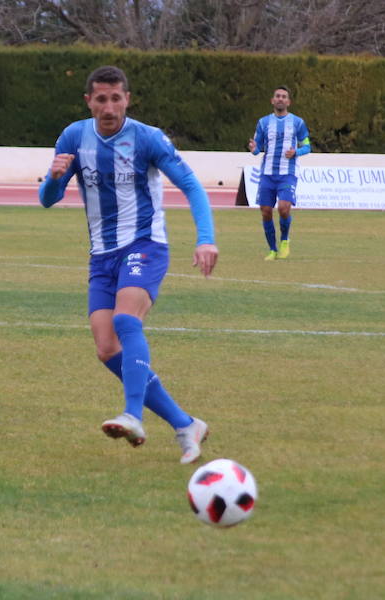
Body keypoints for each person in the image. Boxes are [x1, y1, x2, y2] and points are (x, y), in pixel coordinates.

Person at [38, 65, 218, 464]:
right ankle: (186, 423)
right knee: (106, 348)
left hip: (145, 245)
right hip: (102, 254)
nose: (108, 107)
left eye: (116, 98)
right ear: (89, 102)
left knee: (126, 322)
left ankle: (133, 416)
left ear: (127, 99)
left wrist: (206, 238)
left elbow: (190, 186)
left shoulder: (148, 139)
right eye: (100, 99)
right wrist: (52, 180)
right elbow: (47, 198)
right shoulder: (73, 137)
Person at [248, 86, 311, 260]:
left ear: (288, 102)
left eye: (284, 96)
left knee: (284, 208)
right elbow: (257, 148)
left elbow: (307, 146)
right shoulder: (263, 123)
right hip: (267, 173)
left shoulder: (297, 123)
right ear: (272, 100)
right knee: (266, 211)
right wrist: (253, 149)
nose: (280, 99)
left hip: (287, 173)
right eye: (277, 96)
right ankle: (272, 250)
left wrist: (296, 152)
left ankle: (284, 240)